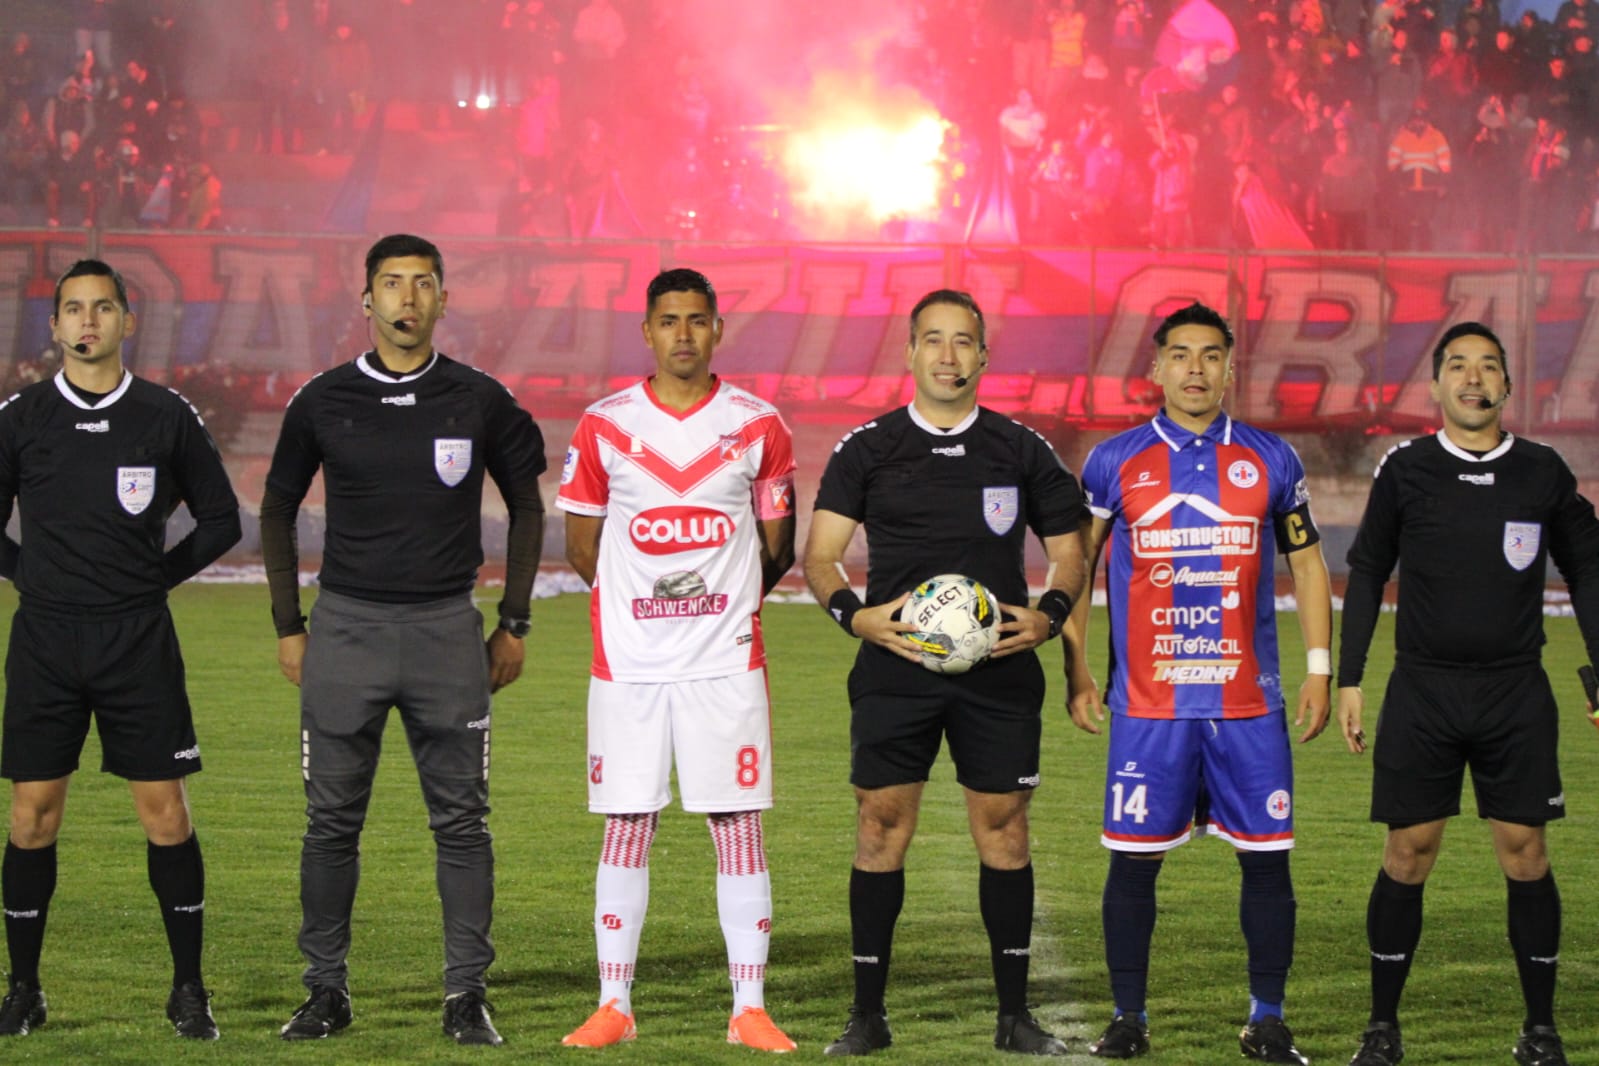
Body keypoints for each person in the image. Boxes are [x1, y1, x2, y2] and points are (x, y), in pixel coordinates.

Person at [259, 233, 546, 1047]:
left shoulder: (479, 399)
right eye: (392, 284)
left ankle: (464, 995)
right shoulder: (321, 399)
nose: (408, 299)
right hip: (344, 629)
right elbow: (276, 510)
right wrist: (290, 625)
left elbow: (527, 506)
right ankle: (324, 991)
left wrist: (513, 620)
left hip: (445, 634)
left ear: (444, 300)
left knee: (462, 823)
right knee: (329, 825)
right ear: (367, 302)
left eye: (424, 284)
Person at [803, 288, 1088, 1057]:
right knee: (878, 826)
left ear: (984, 356)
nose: (948, 356)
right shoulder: (868, 448)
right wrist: (855, 617)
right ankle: (866, 1016)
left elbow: (1070, 546)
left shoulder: (1019, 449)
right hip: (895, 669)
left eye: (963, 342)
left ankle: (1013, 1017)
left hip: (996, 671)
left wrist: (1051, 611)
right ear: (909, 353)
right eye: (933, 340)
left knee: (1003, 831)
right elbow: (819, 555)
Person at [1065, 301, 1332, 1064]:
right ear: (1154, 368)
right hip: (1148, 705)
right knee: (1132, 858)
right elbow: (1077, 570)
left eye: (1210, 356)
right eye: (1179, 355)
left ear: (1228, 367)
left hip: (1248, 701)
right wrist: (1076, 666)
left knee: (1267, 857)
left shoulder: (1270, 459)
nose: (1194, 369)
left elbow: (1307, 564)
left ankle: (1267, 1018)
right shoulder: (1111, 461)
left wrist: (1317, 671)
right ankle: (1127, 1018)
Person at [1336, 322, 1599, 1066]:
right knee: (1406, 854)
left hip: (1514, 694)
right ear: (1437, 386)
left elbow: (1587, 571)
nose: (1473, 378)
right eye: (1457, 365)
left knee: (1525, 855)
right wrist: (1349, 677)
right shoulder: (1406, 468)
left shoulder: (1541, 472)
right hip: (1422, 691)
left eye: (1488, 366)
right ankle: (1381, 1028)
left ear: (1508, 387)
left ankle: (1540, 1031)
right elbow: (1365, 572)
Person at [555, 268, 798, 1053]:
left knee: (738, 827)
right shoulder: (604, 424)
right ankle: (614, 1004)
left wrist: (713, 607)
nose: (684, 334)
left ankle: (748, 1008)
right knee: (627, 823)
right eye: (669, 321)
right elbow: (582, 544)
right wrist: (643, 608)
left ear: (717, 329)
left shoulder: (759, 425)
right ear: (648, 332)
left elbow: (777, 546)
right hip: (627, 667)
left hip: (725, 665)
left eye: (697, 320)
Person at [0, 258, 241, 1039]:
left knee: (164, 814)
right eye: (73, 308)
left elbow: (220, 519)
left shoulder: (164, 415)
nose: (88, 321)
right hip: (46, 641)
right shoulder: (22, 416)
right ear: (55, 325)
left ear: (126, 321)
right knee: (32, 817)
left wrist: (154, 580)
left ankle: (188, 990)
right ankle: (25, 989)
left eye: (103, 307)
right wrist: (31, 576)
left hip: (137, 641)